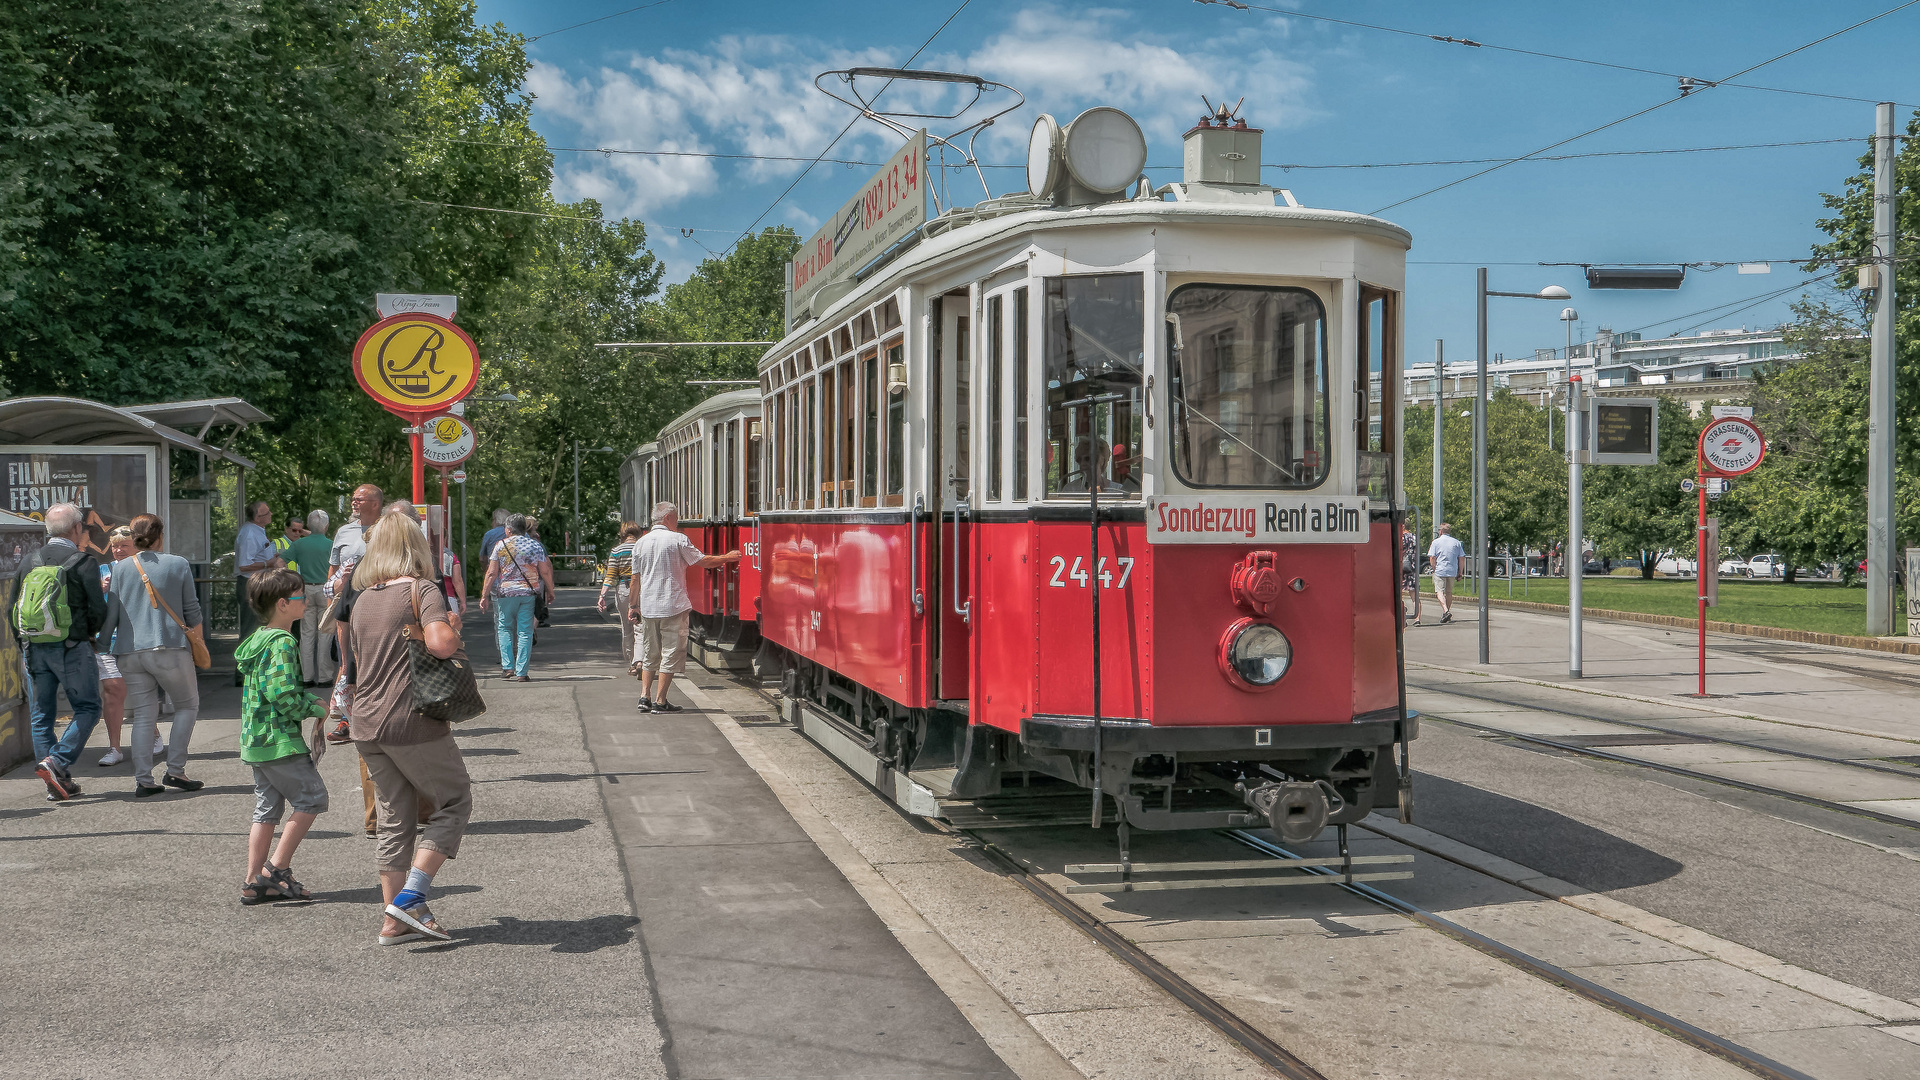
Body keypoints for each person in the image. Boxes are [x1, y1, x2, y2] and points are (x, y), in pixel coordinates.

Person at [349, 514, 473, 945]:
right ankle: (411, 896)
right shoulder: (421, 589)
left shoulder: (363, 597)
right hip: (410, 718)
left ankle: (394, 922)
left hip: (366, 721)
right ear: (416, 546)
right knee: (454, 801)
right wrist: (450, 629)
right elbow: (440, 644)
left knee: (394, 817)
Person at [236, 568, 329, 904]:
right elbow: (283, 693)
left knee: (267, 809)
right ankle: (275, 869)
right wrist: (316, 707)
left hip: (255, 740)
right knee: (313, 798)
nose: (304, 600)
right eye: (299, 596)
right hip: (279, 740)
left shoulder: (258, 640)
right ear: (282, 604)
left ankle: (253, 880)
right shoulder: (283, 643)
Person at [96, 513, 206, 797]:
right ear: (160, 537)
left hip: (129, 653)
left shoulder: (119, 569)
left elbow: (113, 614)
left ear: (134, 538)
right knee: (186, 706)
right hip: (168, 648)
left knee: (144, 715)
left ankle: (144, 780)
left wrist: (103, 645)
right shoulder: (178, 564)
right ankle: (176, 770)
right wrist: (199, 646)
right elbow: (192, 611)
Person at [11, 503, 109, 801]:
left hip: (34, 649)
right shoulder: (83, 562)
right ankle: (57, 762)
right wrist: (87, 636)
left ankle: (56, 784)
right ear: (77, 529)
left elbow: (11, 608)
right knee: (88, 708)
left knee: (41, 716)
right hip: (72, 647)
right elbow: (97, 609)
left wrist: (24, 644)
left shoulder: (29, 561)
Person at [627, 502, 738, 713]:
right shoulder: (677, 540)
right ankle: (660, 701)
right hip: (673, 606)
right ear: (668, 517)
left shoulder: (641, 543)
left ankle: (644, 696)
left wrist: (633, 605)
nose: (678, 521)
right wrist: (727, 558)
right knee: (670, 653)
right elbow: (703, 561)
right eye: (676, 517)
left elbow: (635, 579)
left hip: (649, 607)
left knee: (650, 654)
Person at [95, 525, 157, 766]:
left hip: (135, 641)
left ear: (136, 547)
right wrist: (100, 589)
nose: (118, 550)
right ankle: (115, 748)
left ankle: (153, 734)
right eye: (115, 546)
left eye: (124, 545)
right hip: (108, 641)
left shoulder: (144, 571)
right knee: (113, 690)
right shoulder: (102, 570)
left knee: (140, 692)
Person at [324, 484, 382, 743]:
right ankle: (347, 719)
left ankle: (372, 717)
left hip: (378, 607)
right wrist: (331, 604)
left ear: (375, 503)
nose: (353, 503)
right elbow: (333, 569)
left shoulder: (386, 529)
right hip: (346, 608)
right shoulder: (344, 532)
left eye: (359, 499)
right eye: (353, 499)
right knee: (346, 661)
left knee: (372, 662)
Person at [479, 513, 552, 682]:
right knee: (525, 631)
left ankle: (507, 667)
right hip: (528, 593)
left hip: (505, 594)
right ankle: (522, 672)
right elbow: (545, 570)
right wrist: (550, 590)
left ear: (508, 529)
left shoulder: (500, 545)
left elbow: (491, 573)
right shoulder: (535, 545)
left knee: (504, 628)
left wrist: (484, 595)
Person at [288, 510, 335, 685]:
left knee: (306, 634)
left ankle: (306, 677)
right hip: (326, 589)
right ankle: (324, 676)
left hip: (305, 589)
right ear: (327, 526)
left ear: (308, 526)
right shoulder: (331, 544)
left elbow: (281, 561)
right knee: (325, 633)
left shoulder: (299, 545)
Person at [234, 500, 283, 663]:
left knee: (258, 626)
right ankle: (244, 670)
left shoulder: (258, 531)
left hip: (257, 582)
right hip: (249, 584)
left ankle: (254, 665)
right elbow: (244, 565)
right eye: (266, 513)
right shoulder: (249, 534)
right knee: (250, 628)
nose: (271, 515)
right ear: (256, 517)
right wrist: (267, 564)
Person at [598, 523, 643, 672]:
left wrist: (602, 595)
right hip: (642, 589)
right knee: (641, 627)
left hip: (624, 590)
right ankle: (640, 661)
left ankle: (632, 662)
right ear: (638, 533)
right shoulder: (643, 547)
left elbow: (610, 576)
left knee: (627, 627)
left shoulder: (616, 551)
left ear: (623, 534)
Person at [1427, 523, 1466, 625]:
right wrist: (1460, 572)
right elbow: (1461, 558)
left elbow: (1432, 557)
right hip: (1452, 570)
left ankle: (1445, 610)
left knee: (1439, 592)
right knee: (1449, 592)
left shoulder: (1436, 542)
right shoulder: (1456, 543)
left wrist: (1434, 567)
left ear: (1440, 531)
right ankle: (1446, 612)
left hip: (1440, 570)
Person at [1400, 522, 1423, 627]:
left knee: (1399, 594)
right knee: (1414, 595)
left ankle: (1401, 617)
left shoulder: (1400, 538)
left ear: (1403, 526)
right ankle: (1417, 618)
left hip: (1401, 567)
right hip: (1412, 568)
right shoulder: (1415, 537)